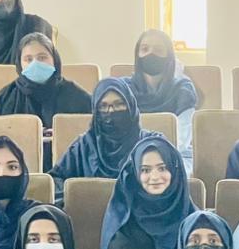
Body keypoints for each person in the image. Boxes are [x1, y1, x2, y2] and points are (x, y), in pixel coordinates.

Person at [49, 78, 158, 206]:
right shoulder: (84, 146)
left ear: (131, 106)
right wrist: (76, 197)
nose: (111, 111)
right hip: (90, 213)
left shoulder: (151, 143)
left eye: (119, 104)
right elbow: (55, 180)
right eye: (103, 106)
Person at [99, 137, 198, 249]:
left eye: (162, 168)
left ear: (175, 170)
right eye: (145, 170)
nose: (155, 177)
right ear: (135, 173)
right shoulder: (123, 223)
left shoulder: (195, 221)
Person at [0, 33, 92, 150]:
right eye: (28, 59)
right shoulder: (6, 97)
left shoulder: (76, 95)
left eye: (42, 58)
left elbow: (92, 133)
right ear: (19, 63)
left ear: (54, 60)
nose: (35, 64)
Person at [124, 29, 198, 171]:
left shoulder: (183, 90)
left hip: (176, 156)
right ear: (137, 55)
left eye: (158, 50)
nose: (150, 54)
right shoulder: (124, 89)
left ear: (168, 55)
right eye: (144, 49)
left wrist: (152, 159)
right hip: (131, 156)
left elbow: (182, 139)